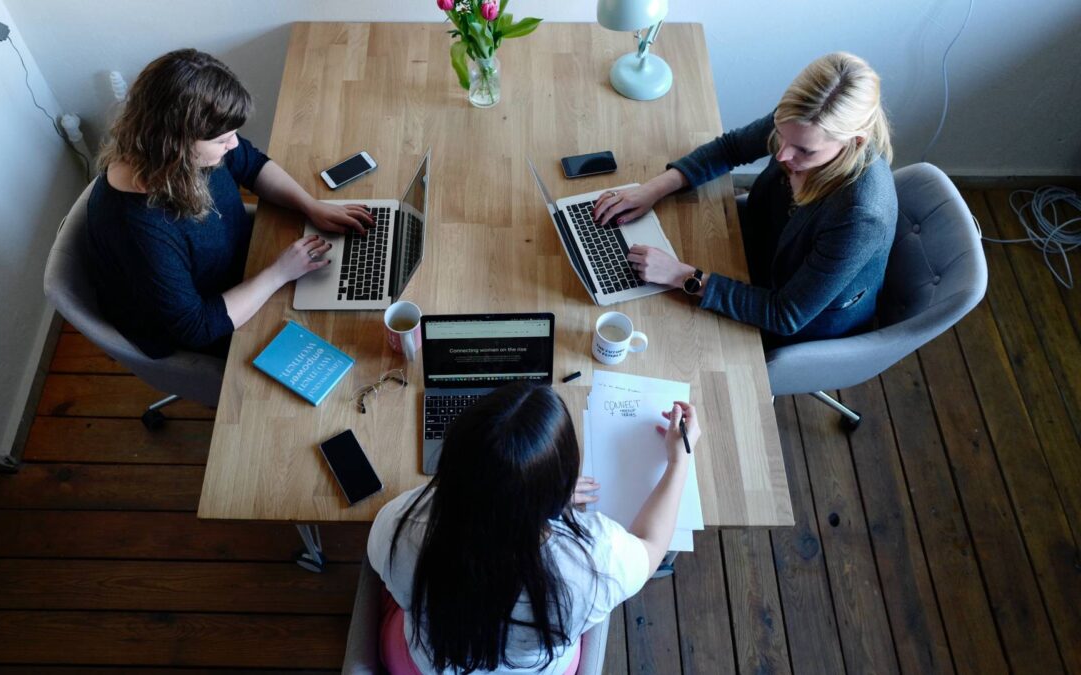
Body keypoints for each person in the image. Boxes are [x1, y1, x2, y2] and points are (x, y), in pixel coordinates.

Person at [367, 383, 700, 674]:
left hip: (423, 665)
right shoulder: (596, 561)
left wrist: (528, 492)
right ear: (560, 488)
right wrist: (678, 460)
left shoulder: (398, 523)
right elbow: (651, 545)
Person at [594, 52, 897, 346]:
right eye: (780, 134)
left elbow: (785, 314)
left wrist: (680, 275)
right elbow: (731, 148)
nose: (782, 154)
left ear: (855, 142)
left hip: (794, 320)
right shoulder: (801, 121)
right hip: (753, 251)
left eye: (804, 151)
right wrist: (652, 189)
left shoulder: (860, 215)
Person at [86, 48, 373, 359]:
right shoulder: (138, 229)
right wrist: (278, 273)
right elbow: (194, 327)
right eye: (222, 140)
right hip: (212, 319)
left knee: (350, 299)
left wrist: (310, 205)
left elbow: (250, 164)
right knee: (343, 339)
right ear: (176, 144)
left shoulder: (180, 155)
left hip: (247, 264)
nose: (233, 144)